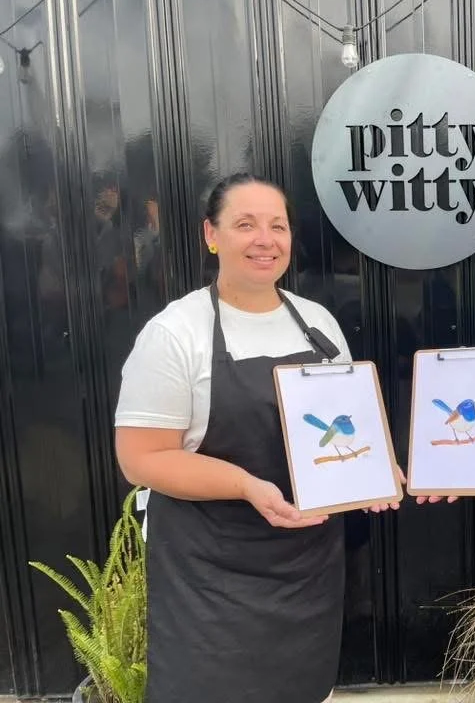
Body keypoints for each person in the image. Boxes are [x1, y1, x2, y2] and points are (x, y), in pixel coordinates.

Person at [114, 173, 396, 702]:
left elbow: (343, 422)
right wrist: (247, 484)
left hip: (306, 565)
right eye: (245, 225)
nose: (265, 240)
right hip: (210, 571)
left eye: (278, 226)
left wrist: (379, 466)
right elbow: (141, 459)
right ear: (211, 235)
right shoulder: (176, 334)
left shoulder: (317, 325)